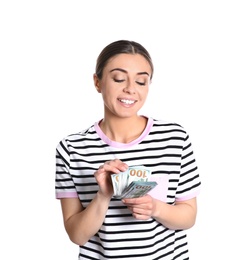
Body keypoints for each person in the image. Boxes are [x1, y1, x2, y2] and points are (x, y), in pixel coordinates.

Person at [55, 40, 201, 259]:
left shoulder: (175, 138)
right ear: (97, 82)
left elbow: (188, 217)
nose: (130, 89)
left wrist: (155, 208)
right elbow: (77, 235)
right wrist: (103, 196)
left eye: (141, 81)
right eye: (119, 78)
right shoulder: (72, 148)